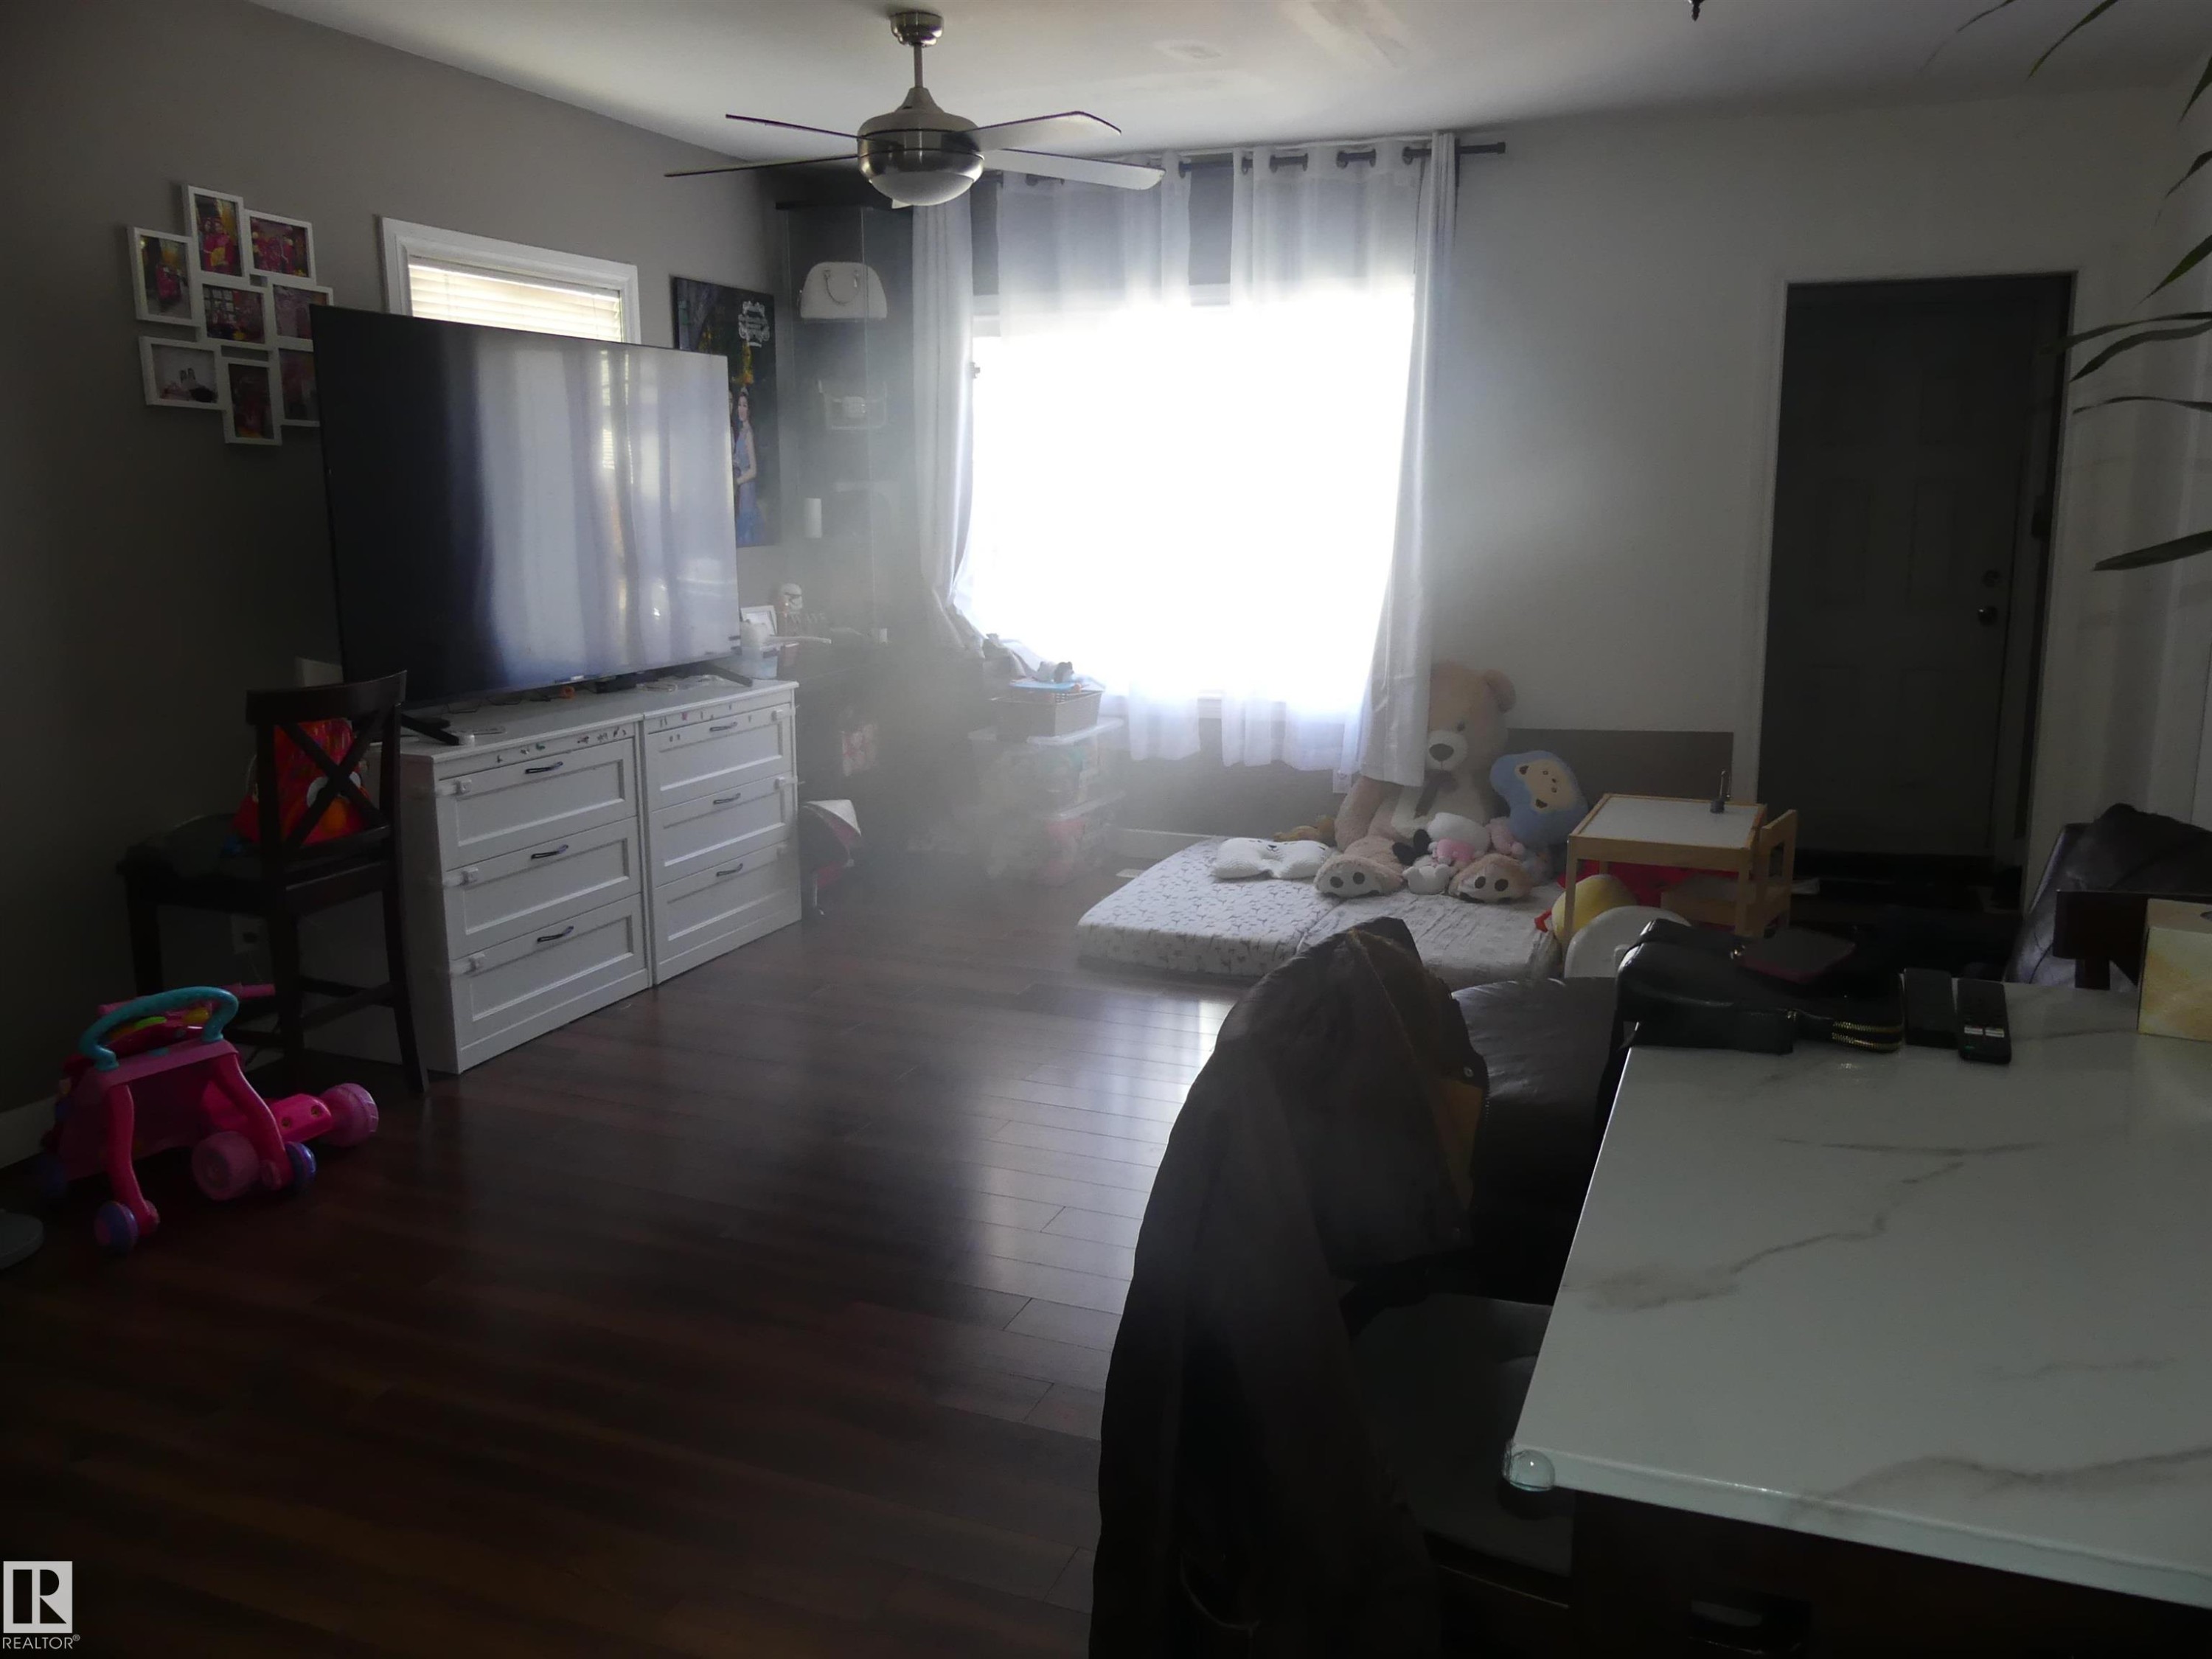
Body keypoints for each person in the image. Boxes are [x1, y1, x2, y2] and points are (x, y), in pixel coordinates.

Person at [731, 383, 766, 545]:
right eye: (739, 405)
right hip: (742, 491)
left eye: (744, 406)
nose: (741, 409)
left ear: (750, 410)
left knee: (747, 531)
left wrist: (736, 482)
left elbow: (753, 470)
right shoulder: (741, 433)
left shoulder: (749, 434)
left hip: (747, 490)